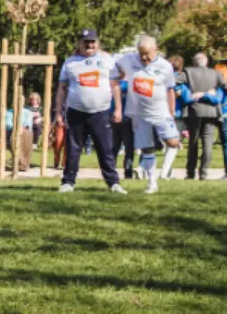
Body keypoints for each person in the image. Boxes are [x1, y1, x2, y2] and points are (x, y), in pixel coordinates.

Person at [54, 29, 127, 195]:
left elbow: (115, 85)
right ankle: (68, 182)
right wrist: (58, 112)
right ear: (79, 44)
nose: (89, 45)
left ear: (97, 43)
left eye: (92, 42)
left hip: (101, 113)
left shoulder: (107, 60)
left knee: (106, 149)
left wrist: (118, 109)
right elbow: (62, 88)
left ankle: (114, 183)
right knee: (73, 149)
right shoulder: (70, 62)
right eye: (85, 42)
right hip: (76, 112)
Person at [112, 35, 180, 194]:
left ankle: (164, 167)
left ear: (156, 50)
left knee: (173, 142)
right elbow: (113, 67)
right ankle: (152, 183)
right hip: (138, 114)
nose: (143, 57)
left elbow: (170, 90)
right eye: (141, 53)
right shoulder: (127, 60)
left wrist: (171, 112)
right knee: (147, 149)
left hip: (160, 112)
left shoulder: (165, 66)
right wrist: (119, 76)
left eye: (147, 53)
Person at [183, 52, 227, 180]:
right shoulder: (215, 74)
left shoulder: (188, 72)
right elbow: (226, 86)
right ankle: (204, 172)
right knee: (208, 143)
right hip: (211, 112)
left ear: (194, 62)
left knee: (193, 142)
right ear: (206, 62)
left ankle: (190, 172)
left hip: (195, 110)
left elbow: (174, 81)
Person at [110, 80, 135, 180]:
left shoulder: (114, 83)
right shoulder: (128, 84)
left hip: (117, 118)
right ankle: (127, 172)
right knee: (128, 148)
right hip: (126, 119)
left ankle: (112, 170)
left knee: (115, 147)